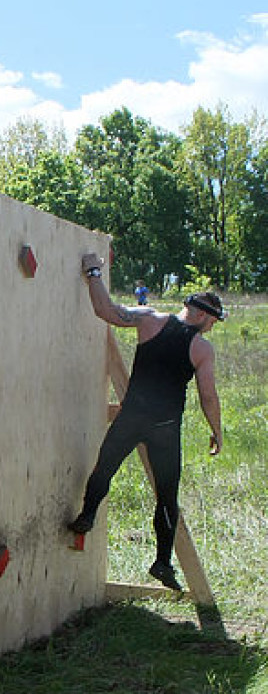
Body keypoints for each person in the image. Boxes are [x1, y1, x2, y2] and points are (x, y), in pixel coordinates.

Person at [68, 253, 224, 591]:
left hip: (133, 416)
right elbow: (208, 397)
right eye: (212, 320)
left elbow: (106, 311)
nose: (211, 327)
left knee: (105, 466)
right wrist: (216, 431)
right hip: (165, 428)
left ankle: (87, 515)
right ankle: (162, 562)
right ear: (199, 313)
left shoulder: (150, 320)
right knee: (167, 497)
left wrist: (93, 273)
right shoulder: (201, 348)